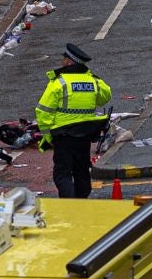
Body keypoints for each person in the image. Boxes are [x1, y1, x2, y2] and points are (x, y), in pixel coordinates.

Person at [35, 42, 112, 198]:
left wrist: (48, 136)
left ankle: (69, 204)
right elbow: (105, 96)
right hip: (85, 135)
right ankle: (81, 202)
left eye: (64, 58)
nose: (62, 61)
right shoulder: (92, 81)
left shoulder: (59, 83)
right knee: (81, 171)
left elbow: (42, 111)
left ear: (69, 62)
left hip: (64, 136)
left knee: (62, 174)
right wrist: (90, 76)